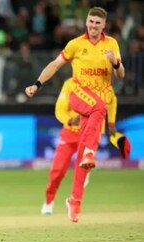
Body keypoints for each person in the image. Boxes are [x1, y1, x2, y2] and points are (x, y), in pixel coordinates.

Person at [25, 7, 125, 222]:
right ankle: (49, 200)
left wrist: (115, 62)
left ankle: (75, 201)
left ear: (104, 25)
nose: (93, 25)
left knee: (83, 163)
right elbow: (55, 65)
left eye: (97, 23)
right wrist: (37, 84)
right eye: (90, 21)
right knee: (100, 108)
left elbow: (121, 74)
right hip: (79, 94)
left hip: (96, 109)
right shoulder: (76, 44)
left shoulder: (112, 44)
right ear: (86, 22)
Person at [40, 78, 121, 215]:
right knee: (57, 172)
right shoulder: (70, 84)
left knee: (84, 167)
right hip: (70, 132)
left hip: (91, 132)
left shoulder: (103, 84)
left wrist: (111, 123)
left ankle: (75, 196)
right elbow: (59, 109)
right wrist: (70, 120)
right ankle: (49, 201)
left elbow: (112, 101)